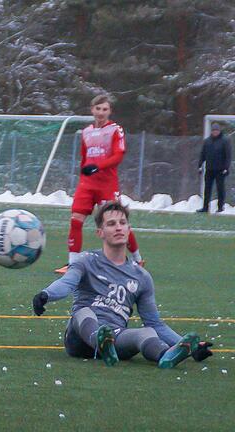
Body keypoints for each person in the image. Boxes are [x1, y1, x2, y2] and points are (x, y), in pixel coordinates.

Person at [33, 201, 213, 368]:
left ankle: (165, 356)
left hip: (116, 337)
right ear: (100, 232)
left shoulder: (141, 276)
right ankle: (100, 341)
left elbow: (156, 324)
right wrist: (46, 295)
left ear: (129, 230)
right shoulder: (86, 260)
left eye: (122, 223)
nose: (118, 227)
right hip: (79, 339)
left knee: (147, 332)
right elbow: (67, 282)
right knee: (83, 312)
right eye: (111, 224)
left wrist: (191, 347)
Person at [55, 94, 142, 274]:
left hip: (107, 185)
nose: (101, 112)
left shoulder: (115, 130)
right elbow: (85, 158)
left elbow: (118, 155)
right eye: (98, 109)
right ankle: (72, 264)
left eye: (105, 109)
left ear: (110, 111)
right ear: (92, 110)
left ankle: (137, 259)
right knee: (75, 220)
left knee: (116, 222)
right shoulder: (86, 132)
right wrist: (84, 173)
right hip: (87, 184)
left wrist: (98, 167)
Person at [197, 123, 231, 213]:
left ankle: (220, 207)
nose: (215, 132)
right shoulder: (207, 141)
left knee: (220, 189)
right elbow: (203, 154)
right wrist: (200, 165)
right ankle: (205, 207)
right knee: (207, 189)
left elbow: (228, 156)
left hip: (220, 169)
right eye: (213, 130)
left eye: (216, 130)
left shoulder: (224, 141)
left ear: (219, 131)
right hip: (209, 169)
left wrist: (226, 168)